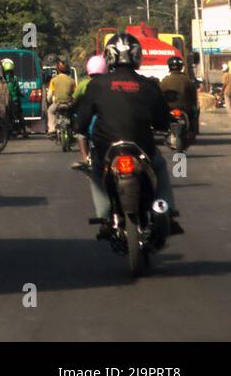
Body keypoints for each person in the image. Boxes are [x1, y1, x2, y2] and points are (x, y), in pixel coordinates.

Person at [73, 33, 183, 237]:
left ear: (110, 56)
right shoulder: (148, 85)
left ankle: (105, 216)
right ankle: (167, 211)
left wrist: (80, 130)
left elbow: (82, 119)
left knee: (95, 171)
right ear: (137, 56)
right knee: (159, 166)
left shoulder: (97, 85)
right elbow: (162, 120)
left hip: (107, 148)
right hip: (142, 146)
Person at [71, 55, 108, 168]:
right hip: (108, 122)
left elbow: (75, 97)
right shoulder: (110, 84)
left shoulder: (83, 84)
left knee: (81, 134)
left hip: (91, 118)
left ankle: (85, 158)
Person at [159, 55, 199, 139]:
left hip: (168, 108)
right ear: (181, 67)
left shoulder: (164, 80)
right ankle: (192, 131)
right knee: (194, 113)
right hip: (185, 108)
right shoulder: (187, 80)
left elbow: (159, 94)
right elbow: (193, 95)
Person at [47, 61, 75, 132]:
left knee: (50, 112)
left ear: (57, 70)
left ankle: (52, 129)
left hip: (57, 104)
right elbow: (75, 95)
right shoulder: (72, 81)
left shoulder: (53, 80)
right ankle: (74, 129)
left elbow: (49, 96)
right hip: (69, 104)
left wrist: (49, 101)